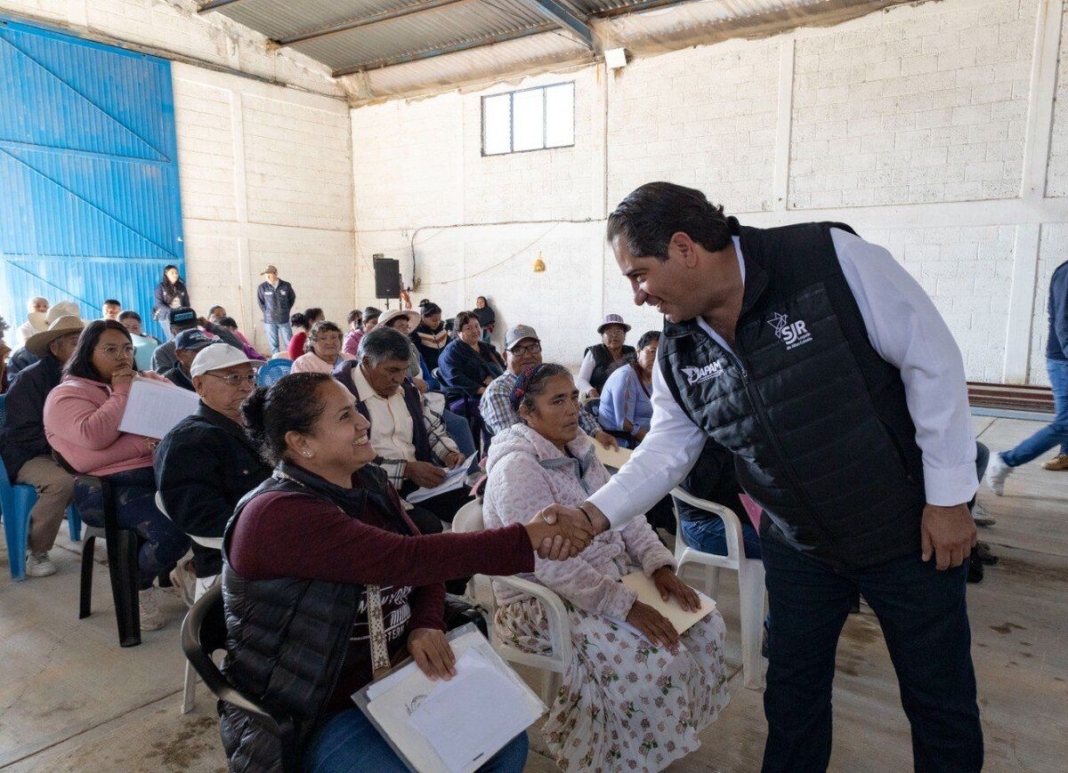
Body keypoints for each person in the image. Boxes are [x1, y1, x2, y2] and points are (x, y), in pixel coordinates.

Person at [539, 182, 983, 772]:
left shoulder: (828, 261)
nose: (639, 296)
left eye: (639, 274)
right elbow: (669, 445)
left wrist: (950, 499)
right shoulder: (679, 345)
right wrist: (592, 516)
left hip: (903, 530)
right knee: (792, 696)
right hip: (799, 544)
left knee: (938, 699)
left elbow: (932, 359)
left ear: (684, 247)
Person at [218, 372, 593, 772]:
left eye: (357, 410)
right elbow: (408, 558)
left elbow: (425, 567)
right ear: (301, 443)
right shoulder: (278, 515)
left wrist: (426, 624)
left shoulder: (367, 481)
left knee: (505, 745)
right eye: (346, 416)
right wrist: (529, 535)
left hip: (398, 677)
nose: (363, 423)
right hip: (318, 707)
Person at [484, 364, 729, 771]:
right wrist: (626, 605)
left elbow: (626, 513)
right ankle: (620, 758)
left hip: (609, 580)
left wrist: (657, 566)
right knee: (658, 654)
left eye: (574, 399)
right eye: (557, 401)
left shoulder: (579, 450)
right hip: (541, 603)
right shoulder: (517, 469)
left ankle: (659, 741)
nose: (572, 411)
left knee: (706, 626)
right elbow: (551, 565)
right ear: (527, 412)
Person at [43, 320, 191, 630]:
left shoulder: (147, 379)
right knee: (171, 530)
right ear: (88, 352)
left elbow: (184, 415)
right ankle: (137, 583)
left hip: (161, 475)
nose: (122, 356)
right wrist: (125, 398)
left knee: (211, 509)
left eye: (126, 348)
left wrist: (146, 388)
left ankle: (187, 570)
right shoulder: (66, 395)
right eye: (110, 349)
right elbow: (93, 439)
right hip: (106, 489)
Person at [155, 344, 268, 600]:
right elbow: (201, 518)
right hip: (236, 559)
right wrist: (274, 528)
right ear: (198, 385)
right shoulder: (189, 441)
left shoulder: (257, 427)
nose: (245, 386)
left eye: (250, 377)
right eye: (232, 378)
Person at [335, 327, 468, 531]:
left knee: (472, 500)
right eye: (392, 370)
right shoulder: (341, 398)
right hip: (371, 488)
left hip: (417, 479)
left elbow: (432, 428)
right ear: (368, 363)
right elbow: (343, 460)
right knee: (427, 527)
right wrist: (405, 470)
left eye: (404, 370)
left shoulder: (407, 390)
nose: (399, 378)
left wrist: (448, 453)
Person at [0, 316, 84, 577]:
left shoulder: (85, 375)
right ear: (54, 347)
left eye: (84, 342)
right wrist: (61, 449)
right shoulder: (31, 379)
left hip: (70, 449)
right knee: (62, 483)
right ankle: (34, 549)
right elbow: (20, 432)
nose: (82, 348)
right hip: (28, 453)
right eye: (74, 343)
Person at [986, 257, 1068, 492]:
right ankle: (1004, 460)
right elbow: (1064, 325)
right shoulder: (1067, 273)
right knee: (1065, 423)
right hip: (1064, 361)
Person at [481, 324, 618, 450]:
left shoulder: (550, 379)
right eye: (518, 350)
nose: (528, 355)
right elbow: (514, 440)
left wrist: (597, 432)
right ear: (505, 356)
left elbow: (578, 410)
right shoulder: (498, 390)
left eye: (533, 348)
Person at [598, 330, 660, 447]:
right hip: (622, 440)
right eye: (652, 352)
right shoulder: (626, 376)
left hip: (648, 433)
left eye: (662, 354)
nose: (656, 359)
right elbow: (626, 424)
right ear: (638, 352)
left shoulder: (656, 377)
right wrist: (656, 443)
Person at [151, 307, 244, 374]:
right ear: (172, 330)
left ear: (198, 326)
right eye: (181, 330)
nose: (187, 333)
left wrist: (210, 326)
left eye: (191, 328)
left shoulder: (208, 344)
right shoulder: (162, 352)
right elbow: (163, 383)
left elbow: (237, 345)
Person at [438, 311, 505, 404]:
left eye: (477, 326)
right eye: (468, 328)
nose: (475, 331)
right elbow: (456, 379)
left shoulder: (487, 348)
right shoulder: (451, 353)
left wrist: (493, 376)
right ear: (458, 332)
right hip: (464, 397)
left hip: (492, 390)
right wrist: (484, 390)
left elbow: (503, 367)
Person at [576, 314, 636, 399]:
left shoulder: (630, 351)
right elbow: (581, 380)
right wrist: (591, 391)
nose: (614, 335)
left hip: (626, 399)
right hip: (600, 399)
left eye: (618, 331)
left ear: (624, 336)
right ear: (602, 337)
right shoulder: (594, 352)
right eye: (609, 331)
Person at [379, 308, 429, 388]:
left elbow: (428, 378)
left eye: (407, 327)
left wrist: (426, 386)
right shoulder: (381, 352)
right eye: (401, 327)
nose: (406, 331)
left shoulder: (412, 348)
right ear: (387, 329)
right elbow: (384, 378)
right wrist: (411, 381)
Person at [256, 264, 296, 354]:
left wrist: (285, 310)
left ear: (276, 273)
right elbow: (261, 302)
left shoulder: (286, 286)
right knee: (274, 345)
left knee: (289, 343)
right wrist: (267, 312)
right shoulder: (262, 287)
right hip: (269, 321)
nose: (267, 277)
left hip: (284, 319)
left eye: (269, 274)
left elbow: (292, 298)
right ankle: (276, 361)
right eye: (266, 275)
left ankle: (291, 362)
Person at [289, 321, 356, 374]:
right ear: (312, 342)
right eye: (323, 338)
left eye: (334, 337)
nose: (330, 342)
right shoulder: (303, 364)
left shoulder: (350, 359)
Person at [153, 265, 191, 339]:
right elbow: (159, 304)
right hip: (166, 315)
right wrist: (172, 311)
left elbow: (186, 301)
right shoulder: (160, 287)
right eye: (172, 273)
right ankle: (172, 350)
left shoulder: (181, 286)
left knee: (182, 336)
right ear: (166, 274)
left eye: (176, 273)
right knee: (172, 338)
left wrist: (186, 311)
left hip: (180, 315)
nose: (175, 275)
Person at [412, 301, 448, 371]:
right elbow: (418, 358)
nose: (437, 323)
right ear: (423, 317)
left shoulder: (441, 331)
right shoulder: (416, 334)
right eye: (434, 320)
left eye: (439, 320)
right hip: (427, 370)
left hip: (444, 368)